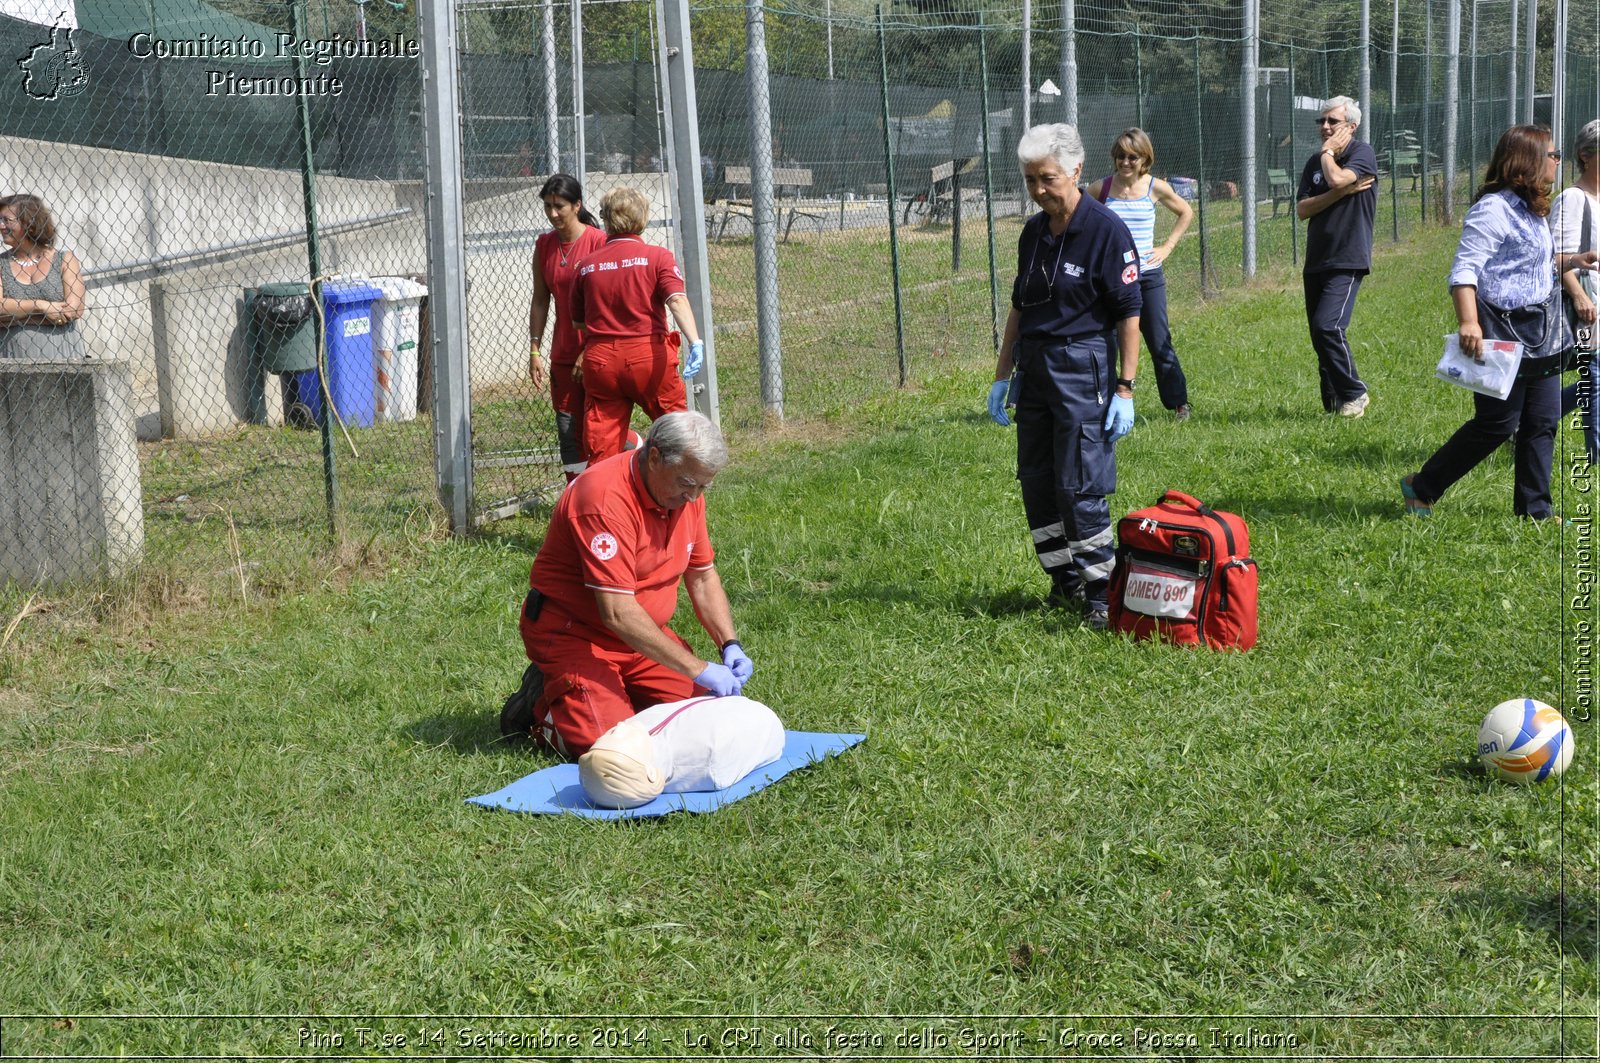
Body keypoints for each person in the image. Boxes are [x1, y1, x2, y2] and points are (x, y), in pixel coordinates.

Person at [506, 411, 754, 758]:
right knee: (611, 751)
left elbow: (701, 575)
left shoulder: (684, 495)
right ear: (654, 457)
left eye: (703, 487)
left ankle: (616, 696)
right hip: (574, 634)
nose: (694, 498)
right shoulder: (604, 500)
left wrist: (729, 643)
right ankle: (542, 707)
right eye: (687, 483)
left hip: (640, 635)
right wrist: (698, 668)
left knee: (708, 718)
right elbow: (617, 614)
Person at [985, 123, 1143, 631]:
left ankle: (1102, 594)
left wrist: (1125, 387)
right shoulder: (1033, 233)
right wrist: (1002, 375)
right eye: (1030, 180)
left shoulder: (1105, 230)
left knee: (1079, 485)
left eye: (1047, 178)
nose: (1038, 190)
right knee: (1037, 484)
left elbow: (1129, 313)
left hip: (1083, 368)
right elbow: (1018, 307)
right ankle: (1064, 583)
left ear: (1075, 171)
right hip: (1035, 369)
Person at [1401, 125, 1599, 521]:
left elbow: (1533, 262)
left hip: (1540, 334)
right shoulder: (1493, 209)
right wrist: (1469, 322)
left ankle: (1534, 511)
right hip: (1502, 334)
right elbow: (1464, 271)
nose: (1557, 162)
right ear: (1528, 160)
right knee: (1496, 424)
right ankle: (1421, 486)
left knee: (1542, 422)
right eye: (1552, 155)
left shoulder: (1534, 208)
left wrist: (1571, 262)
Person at [570, 187, 705, 464]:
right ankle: (682, 494)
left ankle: (605, 500)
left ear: (606, 220)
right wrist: (695, 341)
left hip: (602, 362)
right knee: (676, 432)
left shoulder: (585, 266)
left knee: (602, 444)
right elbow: (676, 300)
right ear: (642, 217)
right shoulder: (658, 257)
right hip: (648, 358)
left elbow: (578, 321)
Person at [1091, 128, 1195, 420]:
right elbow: (1081, 217)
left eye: (1132, 157)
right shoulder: (1101, 188)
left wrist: (1167, 246)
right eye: (1120, 156)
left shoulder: (1155, 187)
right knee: (1107, 342)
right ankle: (1107, 401)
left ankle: (1179, 403)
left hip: (1147, 277)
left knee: (1159, 340)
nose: (1125, 162)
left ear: (1144, 159)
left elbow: (1185, 212)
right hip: (1111, 281)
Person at [1296, 95, 1379, 417]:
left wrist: (1329, 155)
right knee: (1319, 335)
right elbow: (1303, 209)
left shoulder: (1362, 152)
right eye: (1322, 121)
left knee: (1328, 327)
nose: (1326, 127)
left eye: (1333, 121)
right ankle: (1334, 404)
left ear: (1352, 127)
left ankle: (1355, 392)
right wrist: (1339, 193)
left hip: (1348, 257)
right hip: (1317, 258)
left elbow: (1337, 177)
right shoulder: (1313, 163)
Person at [577, 695, 785, 809]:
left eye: (609, 734)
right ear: (649, 773)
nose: (619, 727)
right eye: (618, 738)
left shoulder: (639, 731)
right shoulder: (707, 756)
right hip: (762, 717)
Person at [529, 174, 606, 481]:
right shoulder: (545, 244)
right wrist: (534, 349)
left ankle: (618, 472)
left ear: (577, 206)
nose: (552, 214)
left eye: (559, 206)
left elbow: (605, 307)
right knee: (567, 427)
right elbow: (539, 300)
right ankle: (577, 495)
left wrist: (589, 349)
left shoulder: (599, 243)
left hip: (598, 350)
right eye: (547, 206)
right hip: (563, 354)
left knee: (598, 428)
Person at [1556, 120, 1600, 465]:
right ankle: (1596, 459)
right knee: (1595, 378)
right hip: (1587, 306)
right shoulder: (1572, 199)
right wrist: (1579, 296)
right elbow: (1556, 255)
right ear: (1586, 156)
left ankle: (1532, 418)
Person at [0, 193, 85, 359]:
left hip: (64, 356)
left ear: (30, 223)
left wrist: (12, 317)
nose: (1, 226)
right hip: (12, 357)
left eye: (6, 220)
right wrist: (41, 306)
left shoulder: (65, 259)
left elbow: (73, 310)